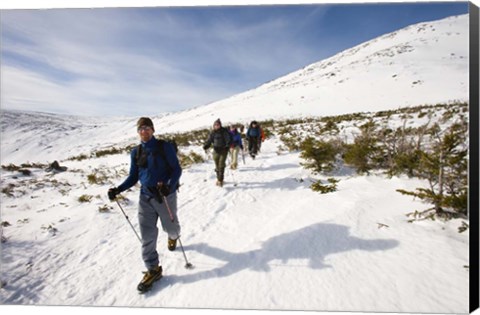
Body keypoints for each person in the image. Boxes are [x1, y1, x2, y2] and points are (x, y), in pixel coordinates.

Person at [107, 117, 182, 293]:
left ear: (153, 130)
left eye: (147, 128)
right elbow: (133, 176)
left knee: (171, 228)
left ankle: (173, 236)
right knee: (147, 236)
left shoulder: (165, 147)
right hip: (145, 197)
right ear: (138, 132)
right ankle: (153, 269)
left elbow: (177, 169)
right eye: (141, 129)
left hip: (165, 197)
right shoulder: (136, 152)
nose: (144, 131)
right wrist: (118, 189)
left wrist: (169, 186)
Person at [203, 118, 231, 187]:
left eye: (218, 125)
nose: (216, 126)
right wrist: (207, 145)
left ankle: (220, 180)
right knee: (217, 164)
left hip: (223, 150)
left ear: (220, 125)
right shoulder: (212, 133)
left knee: (221, 164)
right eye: (215, 125)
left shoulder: (224, 131)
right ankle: (218, 178)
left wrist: (227, 145)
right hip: (216, 150)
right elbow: (209, 140)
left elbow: (228, 139)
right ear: (214, 126)